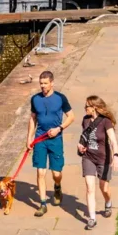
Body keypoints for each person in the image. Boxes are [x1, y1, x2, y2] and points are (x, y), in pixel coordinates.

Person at [27, 71, 74, 216]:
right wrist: (29, 138)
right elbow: (33, 119)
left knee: (56, 173)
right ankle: (42, 204)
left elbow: (71, 116)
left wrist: (59, 128)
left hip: (55, 140)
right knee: (41, 172)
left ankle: (57, 186)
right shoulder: (35, 99)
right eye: (41, 83)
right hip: (40, 139)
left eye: (45, 83)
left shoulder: (61, 98)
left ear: (52, 83)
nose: (42, 86)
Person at [78, 96, 118, 230]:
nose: (85, 109)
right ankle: (92, 218)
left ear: (94, 107)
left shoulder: (106, 122)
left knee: (104, 188)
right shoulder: (85, 120)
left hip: (104, 159)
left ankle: (108, 202)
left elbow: (113, 141)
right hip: (88, 157)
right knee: (90, 188)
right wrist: (80, 147)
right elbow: (83, 138)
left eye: (87, 106)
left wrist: (116, 156)